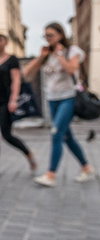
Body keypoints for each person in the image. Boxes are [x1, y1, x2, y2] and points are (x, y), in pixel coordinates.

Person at [25, 23, 97, 187]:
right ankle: (86, 167)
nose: (48, 39)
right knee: (67, 137)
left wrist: (60, 55)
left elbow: (72, 70)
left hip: (68, 98)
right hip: (52, 99)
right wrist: (41, 58)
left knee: (56, 134)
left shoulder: (73, 51)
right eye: (46, 36)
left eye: (51, 35)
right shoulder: (47, 54)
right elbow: (27, 72)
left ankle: (51, 174)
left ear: (60, 35)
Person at [0, 34, 37, 176]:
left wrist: (13, 99)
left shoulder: (12, 60)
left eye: (0, 40)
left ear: (6, 42)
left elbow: (16, 80)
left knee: (6, 134)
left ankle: (28, 154)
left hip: (5, 101)